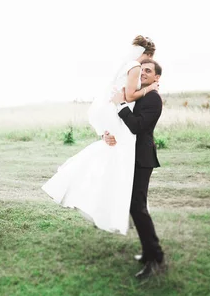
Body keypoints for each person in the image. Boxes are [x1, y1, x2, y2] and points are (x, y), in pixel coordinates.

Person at [41, 35, 158, 236]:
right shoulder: (135, 67)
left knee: (112, 157)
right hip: (121, 114)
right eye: (149, 57)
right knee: (117, 156)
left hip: (117, 115)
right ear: (146, 54)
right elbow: (129, 96)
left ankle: (106, 202)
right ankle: (108, 206)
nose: (148, 62)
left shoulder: (124, 65)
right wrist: (149, 88)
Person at [105, 57, 165, 280]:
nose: (143, 74)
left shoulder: (153, 99)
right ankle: (149, 252)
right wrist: (108, 133)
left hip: (142, 159)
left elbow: (137, 126)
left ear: (157, 77)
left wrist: (120, 104)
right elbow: (124, 125)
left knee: (138, 208)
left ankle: (156, 258)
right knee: (135, 207)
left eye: (148, 71)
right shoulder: (140, 95)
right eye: (142, 70)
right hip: (132, 158)